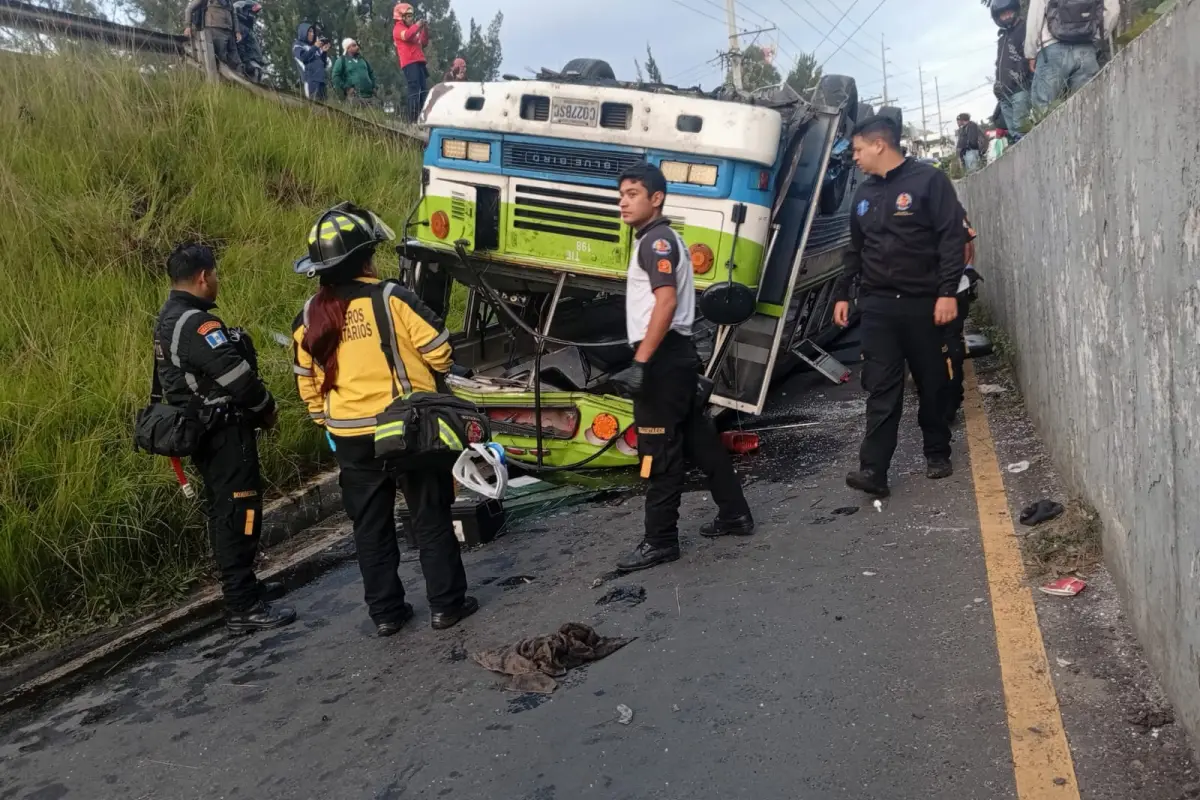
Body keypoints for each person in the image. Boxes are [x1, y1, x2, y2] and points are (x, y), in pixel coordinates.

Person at [291, 202, 478, 637]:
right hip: (405, 429)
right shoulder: (392, 299)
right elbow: (440, 351)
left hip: (349, 436)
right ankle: (446, 606)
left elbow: (307, 381)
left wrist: (325, 419)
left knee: (370, 527)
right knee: (429, 516)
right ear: (366, 258)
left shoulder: (309, 316)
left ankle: (387, 615)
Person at [608, 163, 754, 573]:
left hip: (662, 358)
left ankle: (660, 541)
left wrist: (641, 362)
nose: (623, 200)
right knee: (700, 438)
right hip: (675, 356)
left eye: (633, 193)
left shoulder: (655, 242)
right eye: (621, 193)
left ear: (656, 198)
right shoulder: (662, 238)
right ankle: (734, 513)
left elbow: (666, 303)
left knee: (658, 449)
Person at [154, 243, 295, 633]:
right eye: (215, 274)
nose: (217, 281)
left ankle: (245, 588)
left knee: (226, 513)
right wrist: (267, 409)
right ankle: (242, 605)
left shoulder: (168, 317)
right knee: (240, 514)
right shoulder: (199, 325)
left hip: (205, 433)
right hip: (224, 433)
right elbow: (238, 379)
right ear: (203, 277)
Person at [831, 116, 967, 498]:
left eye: (858, 149)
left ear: (879, 145)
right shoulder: (863, 194)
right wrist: (843, 292)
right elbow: (855, 250)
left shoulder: (928, 181)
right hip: (878, 307)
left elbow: (951, 239)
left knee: (933, 383)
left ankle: (937, 450)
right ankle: (873, 470)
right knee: (880, 388)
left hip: (924, 303)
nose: (854, 157)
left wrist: (946, 293)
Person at [1026, 0, 1119, 112]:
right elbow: (1113, 10)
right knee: (1087, 109)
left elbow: (1035, 17)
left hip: (1052, 50)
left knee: (1042, 109)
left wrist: (1030, 53)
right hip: (1086, 49)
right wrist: (1098, 36)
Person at [938, 214, 982, 427]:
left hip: (952, 293)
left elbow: (967, 245)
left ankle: (951, 402)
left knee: (951, 347)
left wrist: (964, 271)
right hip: (924, 295)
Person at [991, 0, 1032, 134]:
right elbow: (999, 64)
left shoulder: (1023, 28)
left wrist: (1021, 74)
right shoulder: (1002, 38)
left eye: (1009, 12)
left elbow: (1028, 53)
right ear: (998, 17)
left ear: (1015, 11)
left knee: (1021, 128)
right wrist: (998, 84)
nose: (1007, 16)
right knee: (1014, 133)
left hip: (1020, 89)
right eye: (1003, 14)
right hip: (1004, 93)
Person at [392, 2, 430, 122]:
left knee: (424, 91)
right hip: (409, 63)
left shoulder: (413, 29)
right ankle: (412, 120)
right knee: (414, 91)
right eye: (408, 16)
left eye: (411, 16)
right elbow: (408, 36)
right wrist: (417, 25)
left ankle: (422, 118)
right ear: (400, 17)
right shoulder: (398, 29)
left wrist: (425, 29)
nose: (411, 18)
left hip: (419, 62)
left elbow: (423, 42)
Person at [183, 0, 241, 72]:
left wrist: (237, 31)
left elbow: (234, 16)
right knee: (221, 60)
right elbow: (189, 9)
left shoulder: (229, 1)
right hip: (214, 30)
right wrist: (188, 26)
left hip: (229, 32)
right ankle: (221, 81)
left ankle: (238, 80)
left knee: (236, 61)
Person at [332, 39, 377, 105]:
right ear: (348, 48)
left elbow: (371, 73)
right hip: (354, 97)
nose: (357, 47)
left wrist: (374, 86)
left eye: (356, 45)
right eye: (354, 45)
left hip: (370, 97)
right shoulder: (342, 60)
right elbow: (335, 77)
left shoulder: (362, 59)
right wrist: (346, 88)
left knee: (372, 115)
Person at [293, 23, 331, 101]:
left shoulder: (314, 46)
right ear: (303, 32)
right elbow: (303, 57)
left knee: (324, 108)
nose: (312, 34)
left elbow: (322, 64)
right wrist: (315, 47)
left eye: (313, 32)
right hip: (310, 80)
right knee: (313, 105)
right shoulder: (297, 45)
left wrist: (324, 52)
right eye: (310, 32)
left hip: (321, 80)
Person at [233, 1, 264, 83]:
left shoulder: (246, 28)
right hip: (251, 64)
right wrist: (246, 62)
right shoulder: (241, 28)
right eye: (250, 12)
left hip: (255, 63)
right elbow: (240, 46)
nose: (253, 15)